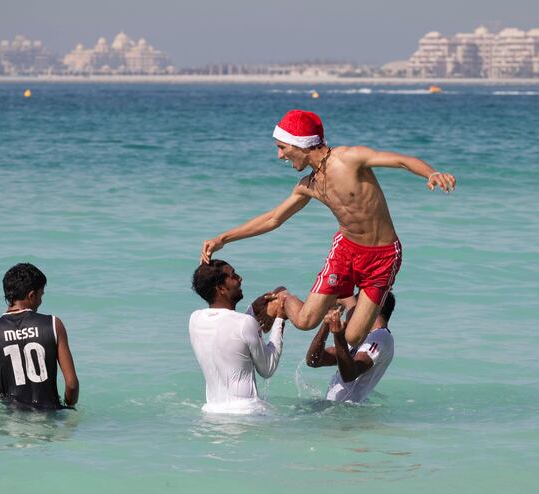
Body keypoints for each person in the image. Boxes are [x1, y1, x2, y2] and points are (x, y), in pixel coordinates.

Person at [201, 109, 455, 346]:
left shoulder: (348, 158)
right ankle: (283, 295)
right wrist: (224, 237)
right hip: (345, 250)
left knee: (354, 337)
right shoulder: (307, 185)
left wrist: (431, 173)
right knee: (304, 322)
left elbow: (401, 160)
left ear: (300, 144)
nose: (279, 155)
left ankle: (341, 298)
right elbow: (273, 219)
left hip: (383, 256)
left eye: (282, 147)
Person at [188, 259, 288, 412]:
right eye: (233, 276)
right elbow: (267, 368)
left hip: (212, 412)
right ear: (221, 288)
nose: (240, 279)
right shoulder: (244, 323)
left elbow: (230, 334)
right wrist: (280, 320)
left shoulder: (195, 319)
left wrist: (252, 310)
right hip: (248, 413)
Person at [0, 263, 79, 410]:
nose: (41, 300)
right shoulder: (52, 324)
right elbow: (71, 384)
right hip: (48, 416)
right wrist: (68, 406)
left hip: (14, 422)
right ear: (31, 295)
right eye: (41, 294)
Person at [305, 292, 396, 403]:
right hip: (335, 411)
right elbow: (314, 361)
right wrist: (326, 324)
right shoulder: (357, 336)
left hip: (346, 412)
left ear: (372, 307)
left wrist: (339, 336)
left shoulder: (381, 336)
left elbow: (350, 375)